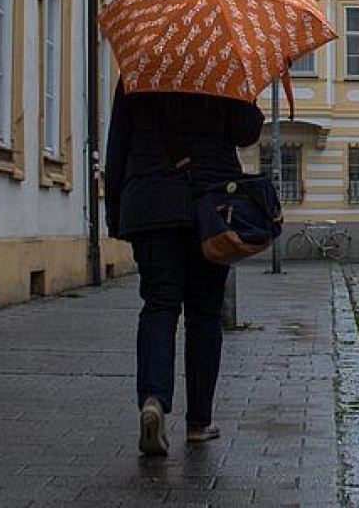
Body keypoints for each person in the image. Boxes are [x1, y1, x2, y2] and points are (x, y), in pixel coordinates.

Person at [105, 82, 264, 457]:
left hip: (150, 203)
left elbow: (118, 143)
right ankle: (199, 422)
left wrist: (117, 214)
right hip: (210, 207)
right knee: (204, 314)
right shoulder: (224, 61)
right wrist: (249, 91)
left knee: (159, 304)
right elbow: (246, 132)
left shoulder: (140, 63)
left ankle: (153, 400)